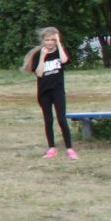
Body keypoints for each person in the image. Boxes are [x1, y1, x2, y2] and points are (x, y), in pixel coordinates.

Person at [24, 28, 77, 160]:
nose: (50, 42)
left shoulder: (60, 52)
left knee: (61, 119)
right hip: (44, 93)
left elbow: (64, 61)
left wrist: (59, 44)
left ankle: (69, 148)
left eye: (53, 40)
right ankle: (52, 148)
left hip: (58, 91)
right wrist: (42, 56)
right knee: (48, 120)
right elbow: (39, 73)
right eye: (47, 40)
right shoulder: (38, 55)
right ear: (43, 41)